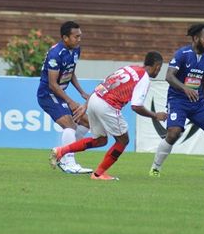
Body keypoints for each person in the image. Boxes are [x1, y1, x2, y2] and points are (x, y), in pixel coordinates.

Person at [50, 51, 167, 180]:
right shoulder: (144, 78)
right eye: (159, 68)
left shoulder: (129, 68)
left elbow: (103, 84)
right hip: (107, 105)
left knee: (100, 140)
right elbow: (136, 106)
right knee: (123, 140)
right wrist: (155, 115)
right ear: (156, 66)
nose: (158, 71)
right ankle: (98, 174)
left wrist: (86, 105)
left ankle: (61, 151)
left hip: (95, 98)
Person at [149, 22, 204, 179]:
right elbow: (169, 76)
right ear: (196, 38)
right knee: (173, 133)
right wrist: (185, 88)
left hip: (198, 102)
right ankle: (155, 167)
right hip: (178, 100)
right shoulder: (182, 54)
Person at [37, 21, 92, 174]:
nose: (79, 39)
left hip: (60, 95)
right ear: (65, 38)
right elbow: (53, 84)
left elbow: (71, 72)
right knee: (70, 126)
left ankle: (62, 153)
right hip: (48, 94)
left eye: (80, 36)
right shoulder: (55, 54)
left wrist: (81, 92)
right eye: (76, 37)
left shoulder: (75, 50)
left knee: (87, 122)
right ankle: (69, 163)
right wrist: (71, 101)